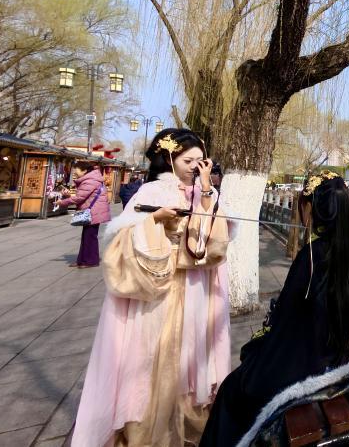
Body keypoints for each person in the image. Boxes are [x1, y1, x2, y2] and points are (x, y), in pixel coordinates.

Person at [71, 129, 235, 447]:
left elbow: (216, 244)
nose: (197, 167)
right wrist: (155, 221)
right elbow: (120, 241)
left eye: (202, 161)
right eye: (189, 161)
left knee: (194, 359)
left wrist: (205, 193)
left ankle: (192, 423)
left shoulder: (206, 193)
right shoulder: (151, 193)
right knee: (158, 358)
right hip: (161, 294)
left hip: (199, 290)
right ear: (169, 159)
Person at [199, 173, 349, 446]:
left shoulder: (312, 255)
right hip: (332, 353)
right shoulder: (343, 251)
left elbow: (288, 322)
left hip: (309, 361)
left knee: (235, 388)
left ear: (311, 208)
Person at [57, 161, 111, 268]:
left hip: (94, 212)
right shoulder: (91, 179)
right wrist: (69, 195)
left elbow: (79, 198)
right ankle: (82, 260)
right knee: (87, 237)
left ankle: (90, 261)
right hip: (93, 211)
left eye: (76, 170)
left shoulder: (90, 181)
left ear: (85, 170)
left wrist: (62, 202)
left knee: (90, 237)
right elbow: (81, 195)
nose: (75, 173)